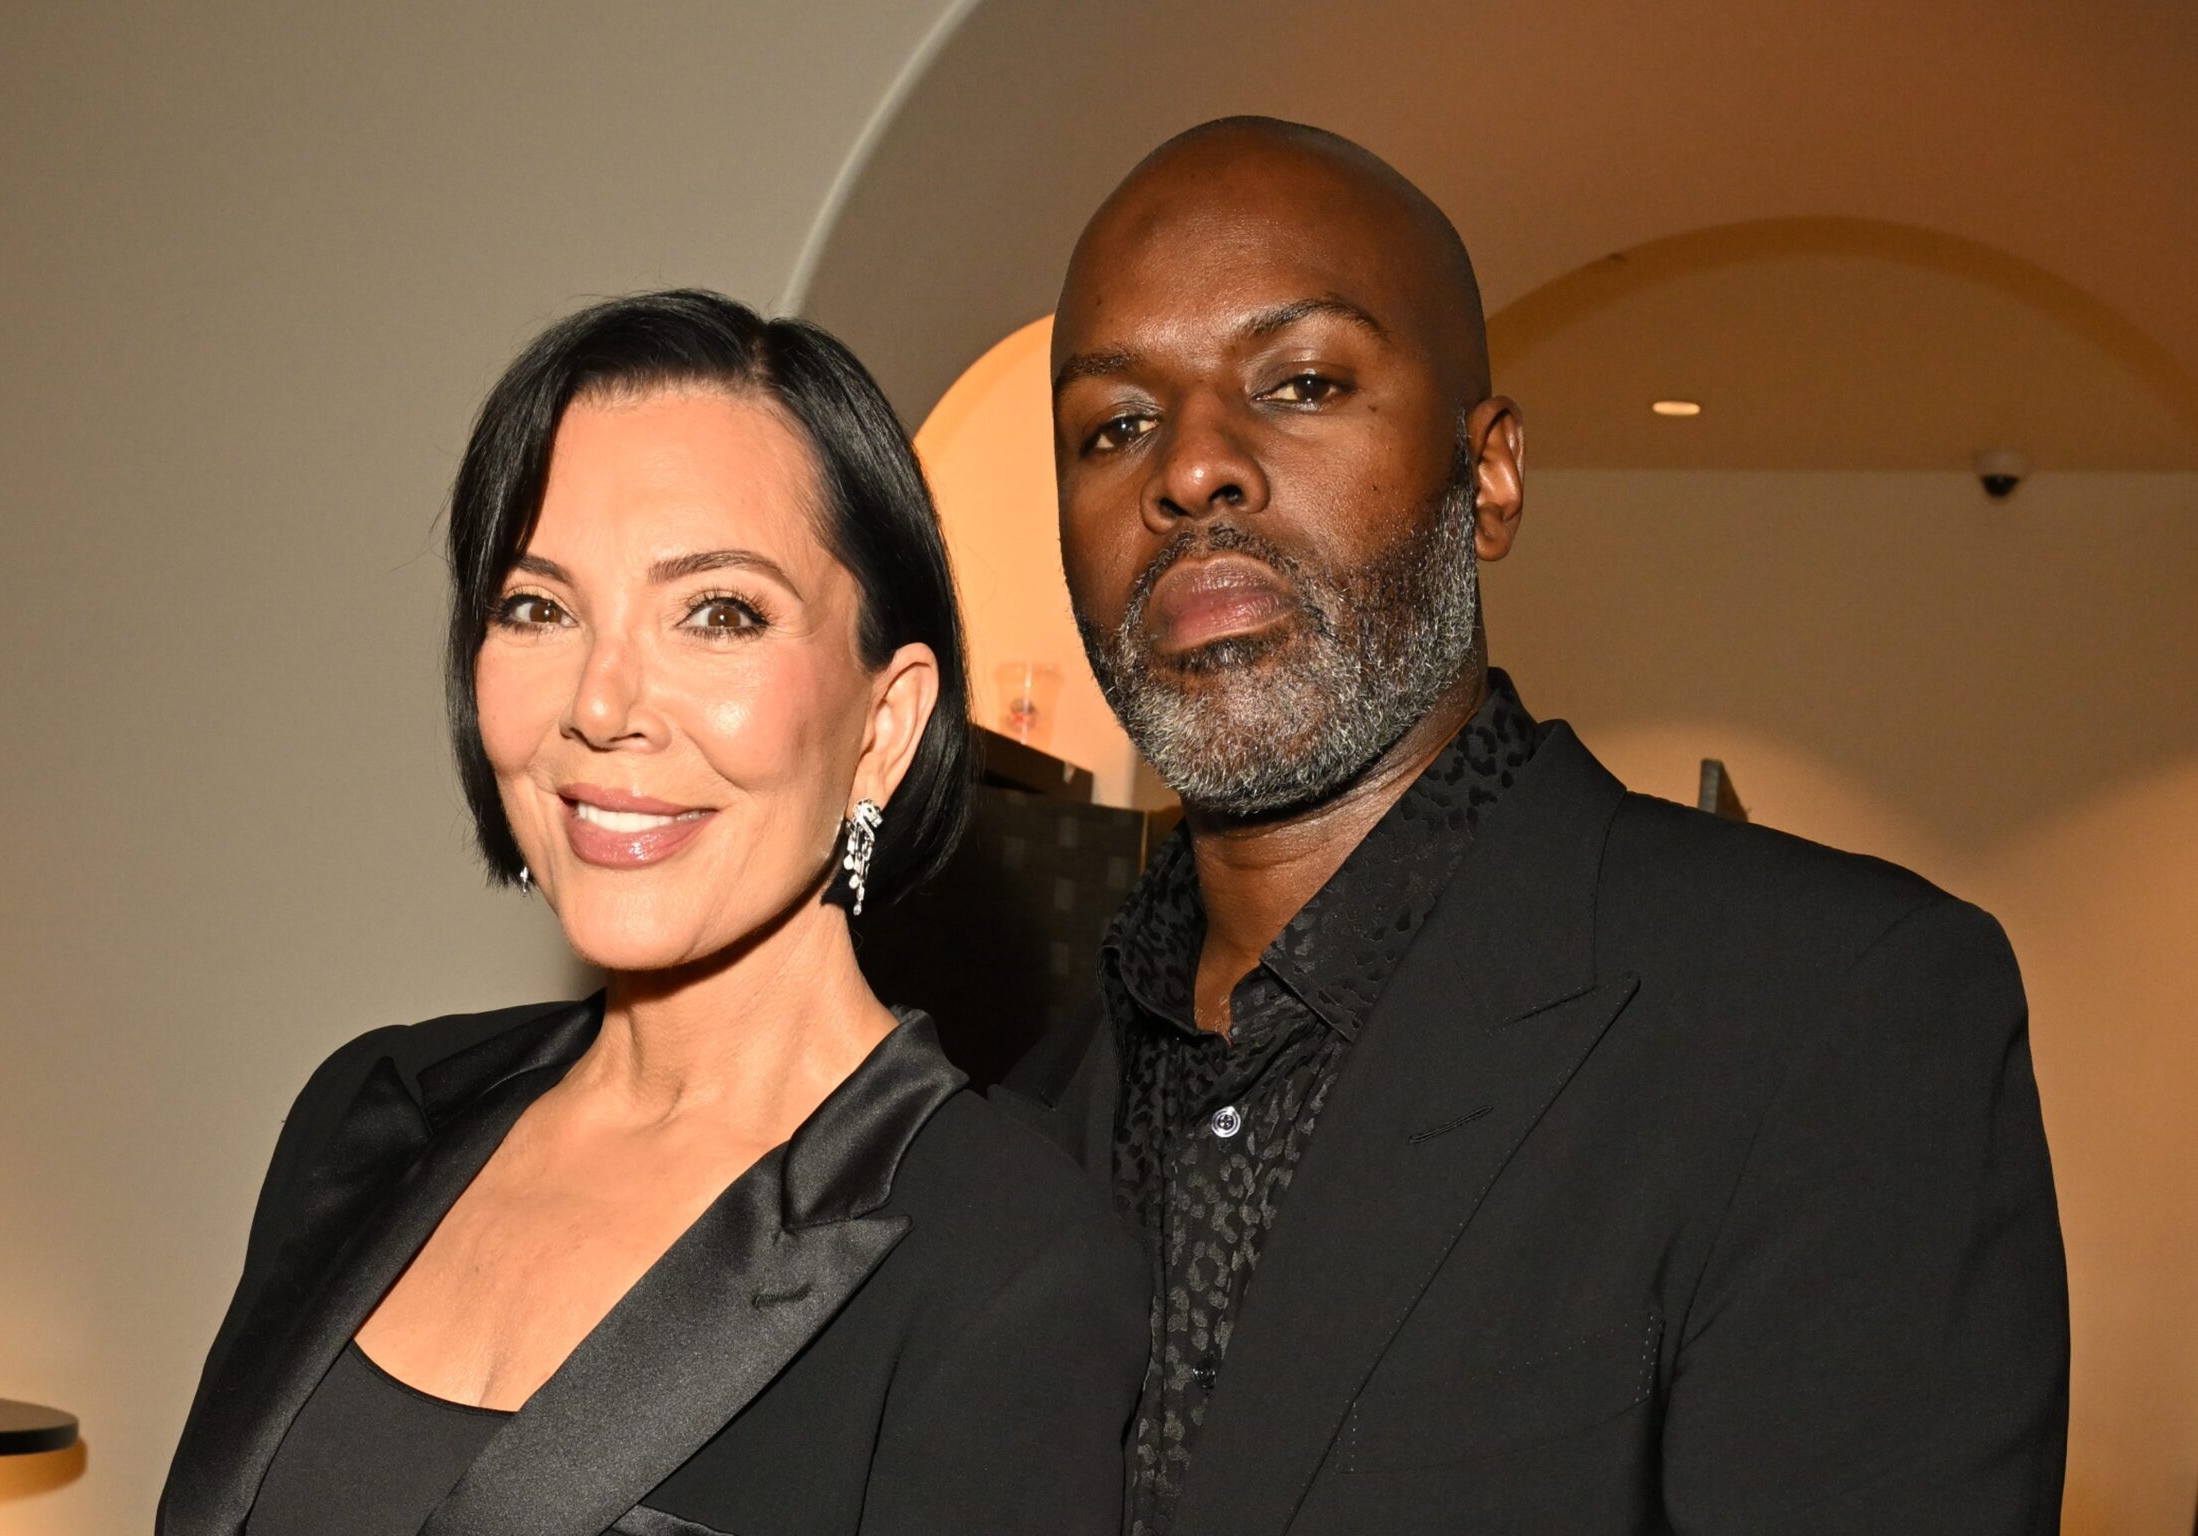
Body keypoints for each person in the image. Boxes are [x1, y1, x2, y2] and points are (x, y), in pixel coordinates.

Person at [998, 118, 2070, 1534]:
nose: (1190, 468)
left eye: (1302, 382)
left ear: (1488, 477)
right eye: (1114, 425)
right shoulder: (1008, 1115)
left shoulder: (1836, 1014)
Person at [160, 291, 1147, 1536]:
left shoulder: (1006, 1259)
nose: (600, 702)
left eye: (718, 613)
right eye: (539, 607)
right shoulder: (362, 1117)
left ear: (884, 724)